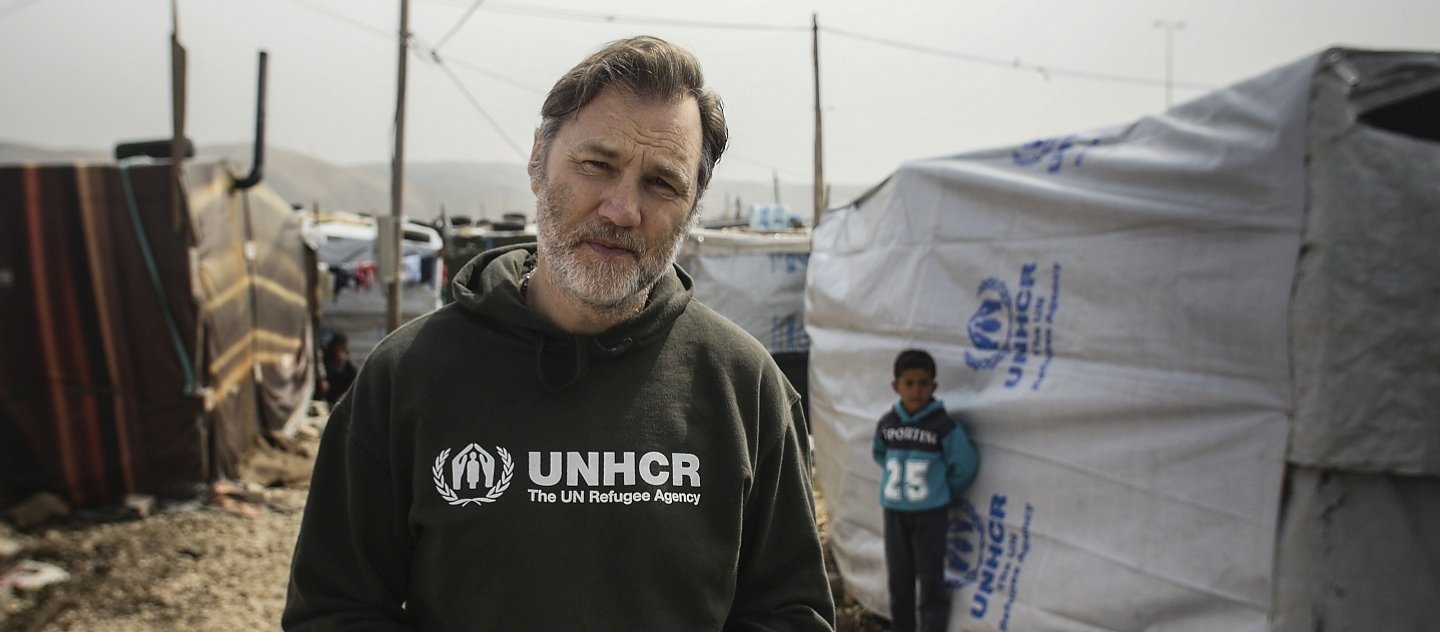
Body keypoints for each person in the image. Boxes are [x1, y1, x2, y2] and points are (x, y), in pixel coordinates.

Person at [284, 36, 836, 631]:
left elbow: (791, 613)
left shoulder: (745, 388)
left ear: (692, 206)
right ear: (537, 163)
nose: (622, 209)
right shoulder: (406, 378)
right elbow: (334, 609)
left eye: (662, 184)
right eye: (597, 165)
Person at [872, 349, 979, 632]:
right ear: (896, 386)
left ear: (934, 386)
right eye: (909, 383)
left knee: (931, 581)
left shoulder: (943, 426)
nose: (916, 390)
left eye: (923, 383)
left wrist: (940, 491)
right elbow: (880, 454)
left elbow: (965, 465)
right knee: (900, 579)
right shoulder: (887, 424)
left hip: (930, 515)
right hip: (895, 512)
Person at [319, 331, 358, 406]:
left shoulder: (350, 369)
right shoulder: (324, 366)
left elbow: (353, 389)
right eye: (336, 348)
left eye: (341, 348)